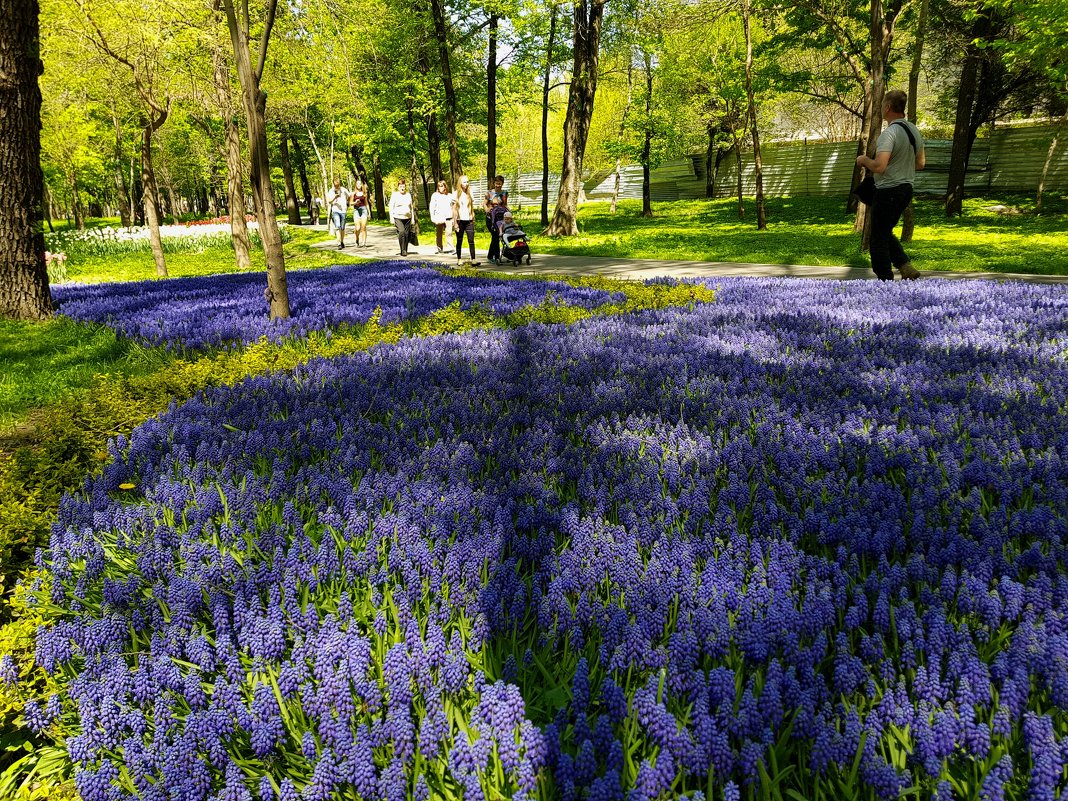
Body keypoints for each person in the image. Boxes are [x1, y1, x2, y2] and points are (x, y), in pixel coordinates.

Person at [855, 89, 925, 281]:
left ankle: (884, 280)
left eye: (881, 106)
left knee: (877, 238)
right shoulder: (914, 131)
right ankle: (905, 266)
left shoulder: (890, 133)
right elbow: (920, 164)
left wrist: (863, 160)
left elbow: (879, 166)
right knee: (884, 231)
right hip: (906, 188)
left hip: (888, 190)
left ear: (887, 107)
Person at [452, 175, 479, 265]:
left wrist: (473, 217)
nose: (466, 184)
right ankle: (459, 259)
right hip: (460, 221)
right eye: (464, 182)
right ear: (460, 183)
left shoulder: (470, 193)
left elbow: (471, 207)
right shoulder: (455, 194)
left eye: (467, 182)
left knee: (471, 240)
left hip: (469, 220)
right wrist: (455, 223)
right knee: (459, 240)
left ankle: (473, 259)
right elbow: (454, 210)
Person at [389, 179, 416, 257]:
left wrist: (413, 218)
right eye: (400, 186)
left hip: (407, 217)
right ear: (398, 187)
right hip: (398, 216)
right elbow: (391, 206)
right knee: (401, 232)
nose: (402, 188)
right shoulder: (394, 195)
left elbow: (411, 207)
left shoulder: (408, 195)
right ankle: (402, 249)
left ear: (405, 187)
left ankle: (405, 249)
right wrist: (391, 217)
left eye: (403, 186)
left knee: (407, 234)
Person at [429, 179, 454, 254]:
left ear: (445, 187)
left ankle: (451, 248)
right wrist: (432, 217)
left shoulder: (450, 196)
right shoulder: (435, 195)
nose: (440, 188)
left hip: (448, 217)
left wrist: (453, 218)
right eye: (439, 186)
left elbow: (453, 206)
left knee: (449, 233)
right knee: (439, 234)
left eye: (442, 186)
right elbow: (432, 206)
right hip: (439, 217)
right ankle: (440, 248)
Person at [325, 178, 351, 249]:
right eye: (335, 185)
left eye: (338, 184)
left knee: (342, 227)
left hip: (343, 210)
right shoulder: (331, 191)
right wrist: (334, 197)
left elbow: (349, 196)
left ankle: (342, 241)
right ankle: (338, 243)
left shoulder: (344, 190)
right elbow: (329, 201)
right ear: (333, 184)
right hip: (335, 210)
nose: (337, 186)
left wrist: (348, 202)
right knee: (337, 226)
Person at [486, 196, 508, 264]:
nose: (496, 206)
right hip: (491, 222)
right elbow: (485, 205)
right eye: (494, 204)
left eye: (498, 204)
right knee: (495, 238)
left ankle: (490, 256)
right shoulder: (491, 208)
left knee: (495, 239)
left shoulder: (501, 207)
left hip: (499, 222)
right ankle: (497, 257)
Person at [351, 178, 370, 247]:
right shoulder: (353, 193)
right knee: (358, 228)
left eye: (360, 184)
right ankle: (357, 239)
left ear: (361, 185)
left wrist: (369, 212)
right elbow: (350, 203)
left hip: (363, 210)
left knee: (363, 227)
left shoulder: (364, 193)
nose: (359, 185)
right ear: (356, 185)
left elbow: (366, 203)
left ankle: (364, 243)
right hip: (356, 210)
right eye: (357, 184)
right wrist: (355, 202)